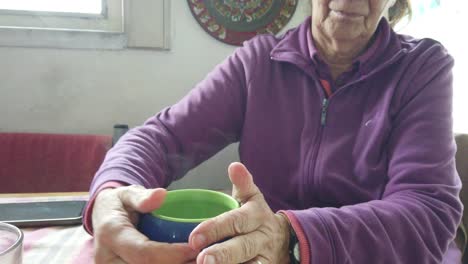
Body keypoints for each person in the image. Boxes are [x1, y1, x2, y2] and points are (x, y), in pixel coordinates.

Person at [84, 0, 463, 263]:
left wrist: (292, 237)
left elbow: (428, 213)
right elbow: (161, 137)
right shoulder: (257, 63)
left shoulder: (422, 69)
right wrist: (112, 191)